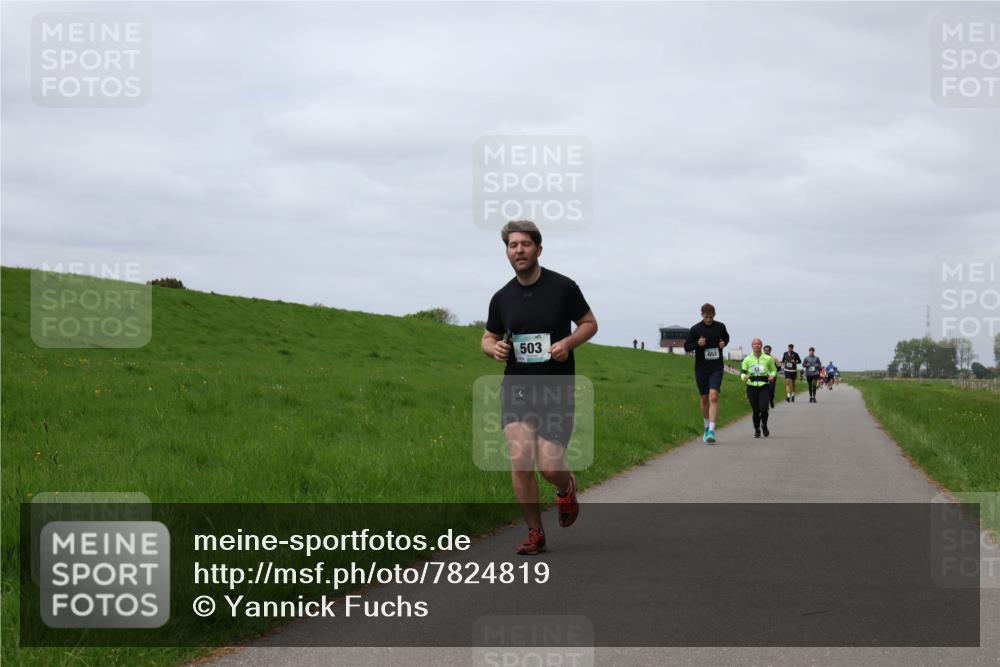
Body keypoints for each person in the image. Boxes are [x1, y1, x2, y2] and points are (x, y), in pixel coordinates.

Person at [482, 220, 598, 555]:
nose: (518, 250)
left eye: (525, 244)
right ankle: (535, 533)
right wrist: (493, 348)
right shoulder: (502, 298)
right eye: (512, 245)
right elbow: (488, 337)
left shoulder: (563, 287)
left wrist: (568, 343)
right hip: (517, 386)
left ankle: (567, 486)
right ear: (507, 251)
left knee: (549, 467)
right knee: (520, 460)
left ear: (538, 249)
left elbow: (590, 323)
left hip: (556, 388)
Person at [683, 303, 730, 444]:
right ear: (701, 314)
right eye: (706, 316)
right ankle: (705, 426)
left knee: (714, 396)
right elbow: (686, 346)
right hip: (701, 368)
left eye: (711, 316)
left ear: (714, 315)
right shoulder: (696, 329)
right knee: (704, 399)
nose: (709, 319)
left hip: (716, 367)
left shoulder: (720, 326)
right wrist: (698, 344)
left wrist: (724, 344)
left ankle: (711, 430)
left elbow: (726, 338)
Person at [741, 338, 778, 438]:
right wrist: (744, 377)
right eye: (754, 344)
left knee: (764, 409)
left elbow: (773, 370)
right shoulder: (747, 359)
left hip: (764, 386)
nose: (756, 345)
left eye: (758, 344)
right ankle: (757, 429)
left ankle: (764, 425)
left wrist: (772, 375)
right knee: (756, 411)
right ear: (752, 346)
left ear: (761, 346)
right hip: (751, 387)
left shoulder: (768, 358)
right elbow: (742, 372)